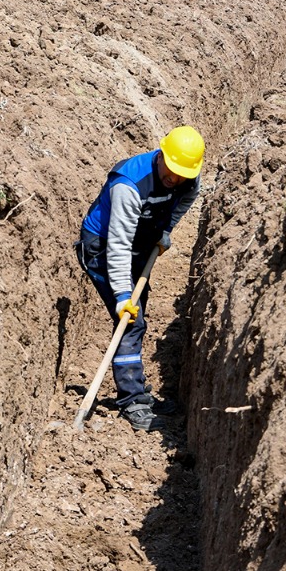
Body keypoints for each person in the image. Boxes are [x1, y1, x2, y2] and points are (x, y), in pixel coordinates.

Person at [75, 126, 204, 431]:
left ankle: (136, 393)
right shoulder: (130, 184)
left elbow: (184, 201)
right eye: (171, 171)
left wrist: (165, 231)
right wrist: (122, 295)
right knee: (131, 319)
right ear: (160, 155)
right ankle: (132, 400)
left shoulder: (188, 175)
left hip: (139, 243)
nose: (175, 179)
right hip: (103, 247)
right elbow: (118, 244)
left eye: (182, 174)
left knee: (137, 311)